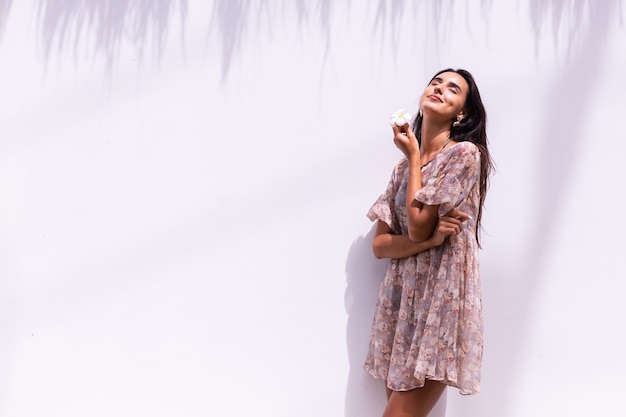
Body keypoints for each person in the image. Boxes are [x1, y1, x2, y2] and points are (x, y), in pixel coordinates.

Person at [365, 68, 493, 417]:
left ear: (461, 112)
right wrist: (430, 239)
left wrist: (413, 157)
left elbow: (418, 228)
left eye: (453, 89)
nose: (439, 89)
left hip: (441, 299)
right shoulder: (401, 171)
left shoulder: (465, 155)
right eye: (435, 82)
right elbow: (381, 246)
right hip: (402, 300)